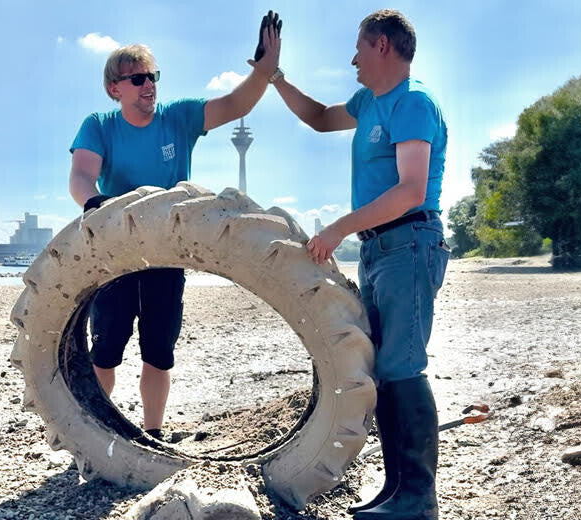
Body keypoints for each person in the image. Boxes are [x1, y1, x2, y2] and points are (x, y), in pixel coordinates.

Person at [68, 13, 283, 440]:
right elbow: (81, 178)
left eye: (153, 76)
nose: (149, 84)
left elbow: (235, 105)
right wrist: (98, 204)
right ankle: (97, 431)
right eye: (138, 78)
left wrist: (263, 71)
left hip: (168, 254)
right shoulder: (99, 125)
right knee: (106, 349)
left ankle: (153, 432)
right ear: (115, 88)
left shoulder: (178, 118)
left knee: (158, 351)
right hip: (116, 252)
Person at [270, 9, 447, 520]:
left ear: (382, 45)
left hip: (409, 243)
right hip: (378, 249)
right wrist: (274, 76)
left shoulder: (413, 102)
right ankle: (396, 491)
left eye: (359, 48)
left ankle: (418, 499)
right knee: (385, 368)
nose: (352, 59)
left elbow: (411, 191)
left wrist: (337, 228)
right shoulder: (369, 101)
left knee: (403, 365)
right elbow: (320, 118)